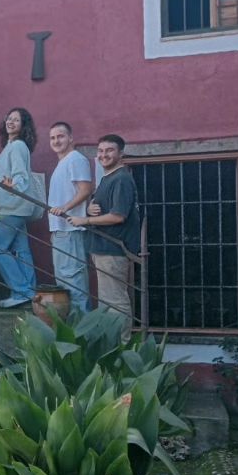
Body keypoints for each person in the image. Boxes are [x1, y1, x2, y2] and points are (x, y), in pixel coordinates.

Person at [69, 134, 141, 342]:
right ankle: (113, 345)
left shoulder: (121, 178)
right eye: (100, 151)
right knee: (107, 303)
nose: (103, 155)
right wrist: (91, 207)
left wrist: (85, 221)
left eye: (109, 150)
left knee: (116, 302)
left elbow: (118, 215)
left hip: (113, 250)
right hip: (103, 250)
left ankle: (123, 347)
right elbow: (105, 208)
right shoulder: (107, 178)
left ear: (121, 154)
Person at [0, 108, 39, 308]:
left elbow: (20, 175)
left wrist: (15, 186)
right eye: (9, 118)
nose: (11, 122)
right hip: (15, 207)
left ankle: (22, 291)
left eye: (16, 120)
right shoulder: (11, 145)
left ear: (23, 125)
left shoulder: (17, 146)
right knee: (22, 250)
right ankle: (30, 293)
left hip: (12, 207)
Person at [47, 121, 93, 314]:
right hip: (60, 230)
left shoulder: (75, 158)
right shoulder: (63, 162)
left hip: (70, 230)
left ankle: (82, 336)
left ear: (71, 138)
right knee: (66, 283)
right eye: (52, 138)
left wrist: (64, 208)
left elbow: (86, 189)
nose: (56, 141)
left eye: (60, 136)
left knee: (74, 285)